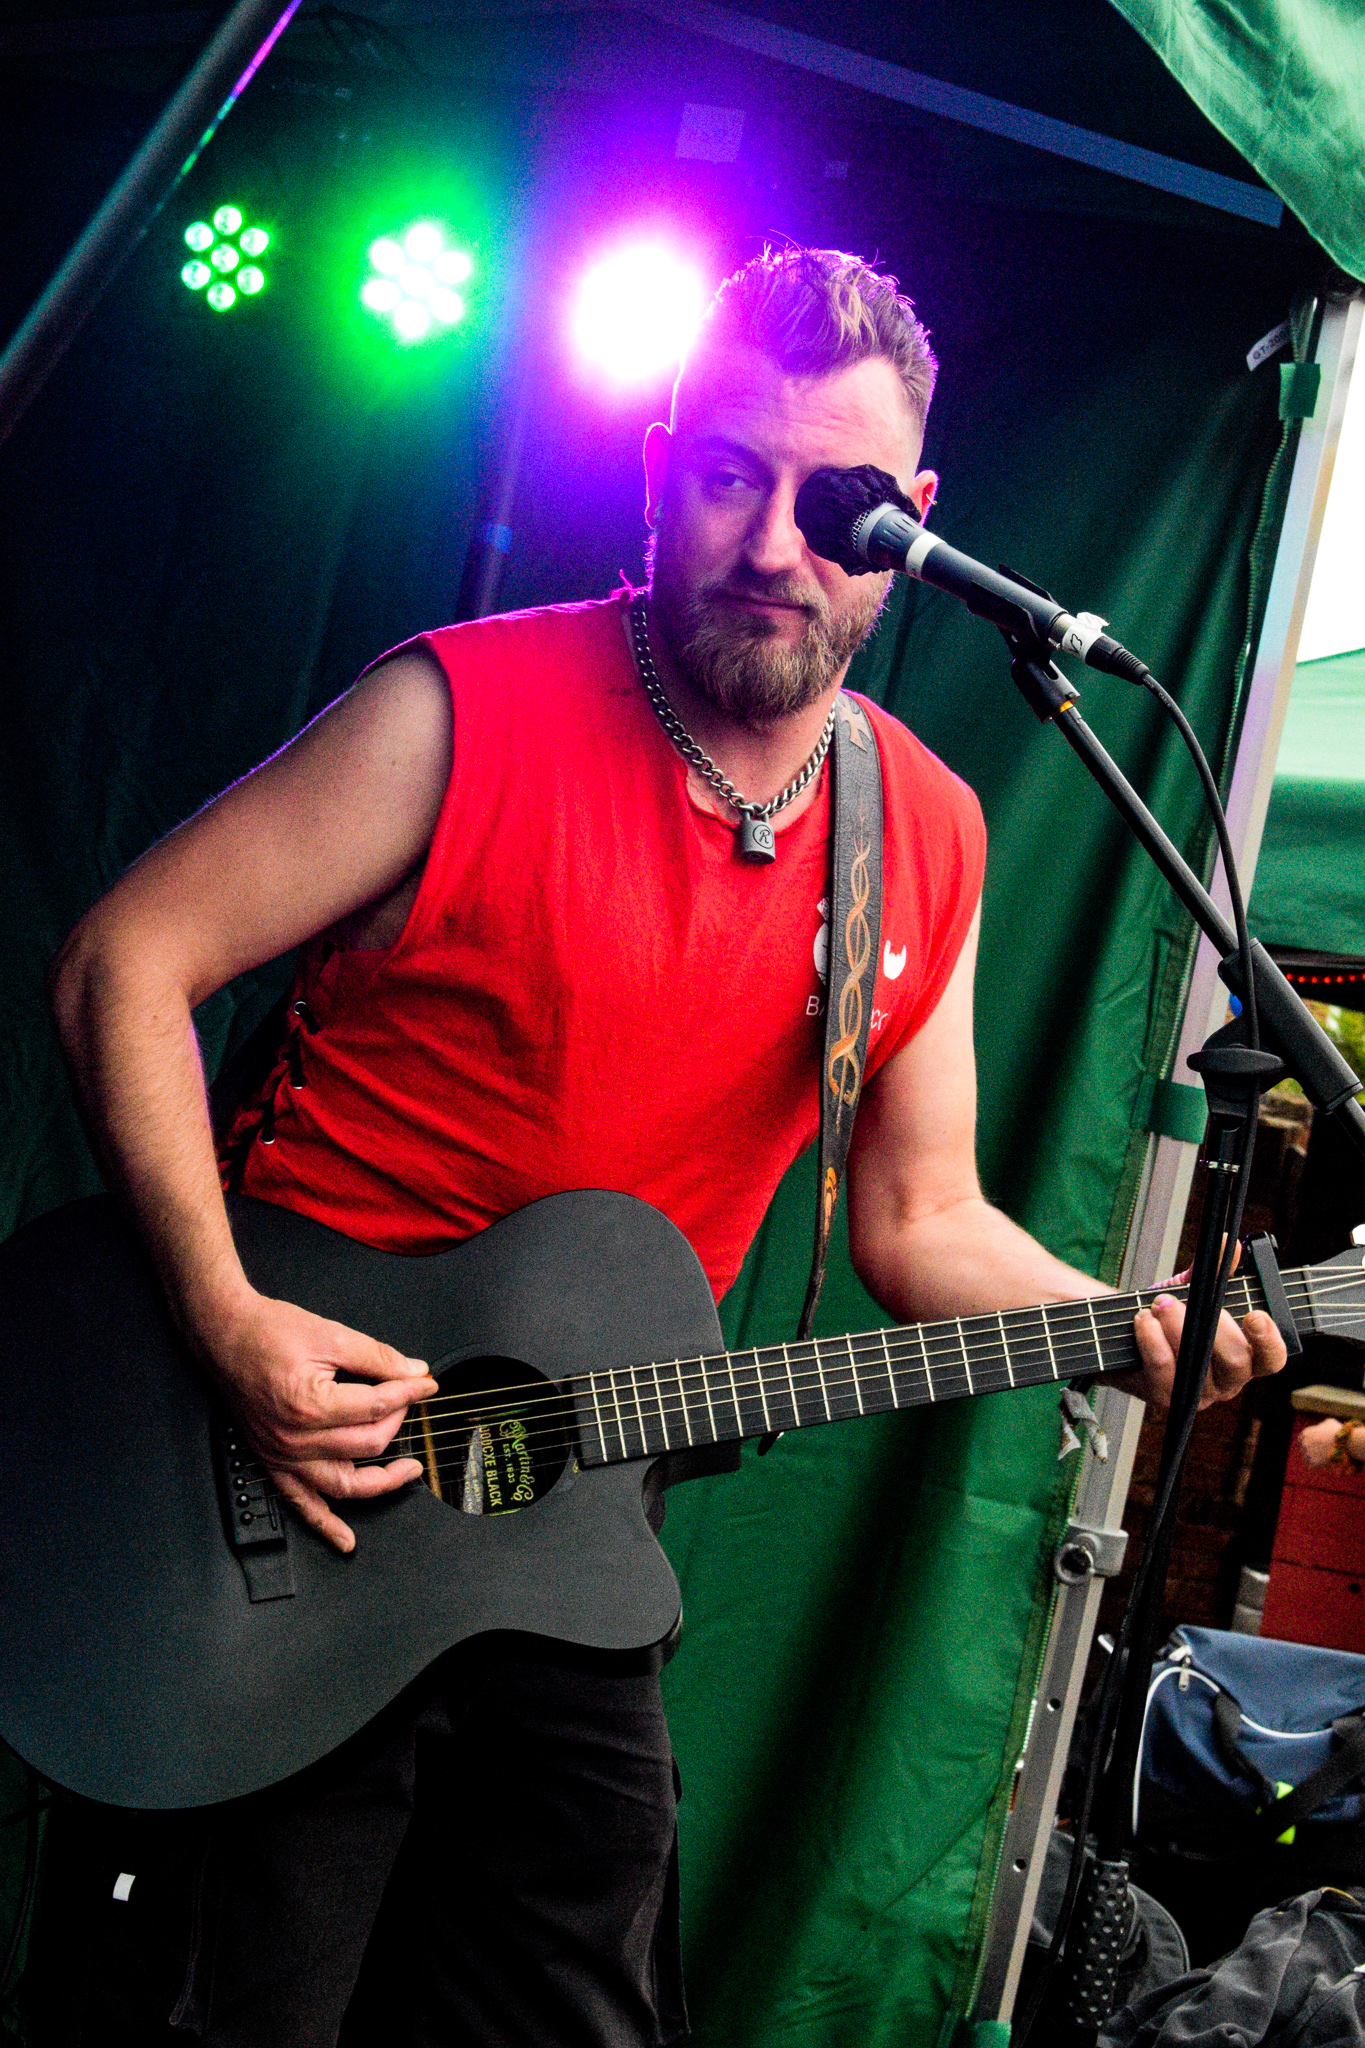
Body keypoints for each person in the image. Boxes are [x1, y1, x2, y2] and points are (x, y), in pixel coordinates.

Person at [36, 247, 1287, 2046]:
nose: (772, 542)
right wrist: (228, 1321)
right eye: (725, 476)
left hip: (562, 1532)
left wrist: (1118, 1319)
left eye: (834, 501)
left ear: (911, 521)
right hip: (280, 1482)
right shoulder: (456, 712)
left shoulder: (921, 829)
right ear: (655, 471)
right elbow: (123, 964)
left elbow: (920, 1215)